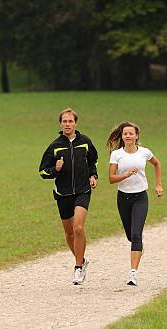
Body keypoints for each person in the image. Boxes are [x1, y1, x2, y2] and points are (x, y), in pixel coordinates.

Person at [39, 108, 99, 285]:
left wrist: (93, 176)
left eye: (70, 121)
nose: (67, 124)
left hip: (82, 190)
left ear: (75, 123)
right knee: (69, 233)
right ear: (60, 124)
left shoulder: (85, 142)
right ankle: (82, 260)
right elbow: (42, 171)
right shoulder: (54, 146)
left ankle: (78, 267)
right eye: (64, 121)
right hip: (62, 193)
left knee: (78, 228)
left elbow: (92, 162)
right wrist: (55, 170)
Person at [107, 122, 162, 286]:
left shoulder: (145, 152)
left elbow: (157, 164)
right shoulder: (116, 154)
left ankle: (133, 273)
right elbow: (111, 179)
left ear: (136, 136)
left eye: (131, 133)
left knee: (137, 235)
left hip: (140, 197)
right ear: (122, 136)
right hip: (123, 198)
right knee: (131, 236)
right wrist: (126, 175)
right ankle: (138, 247)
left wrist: (158, 184)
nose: (128, 136)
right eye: (125, 134)